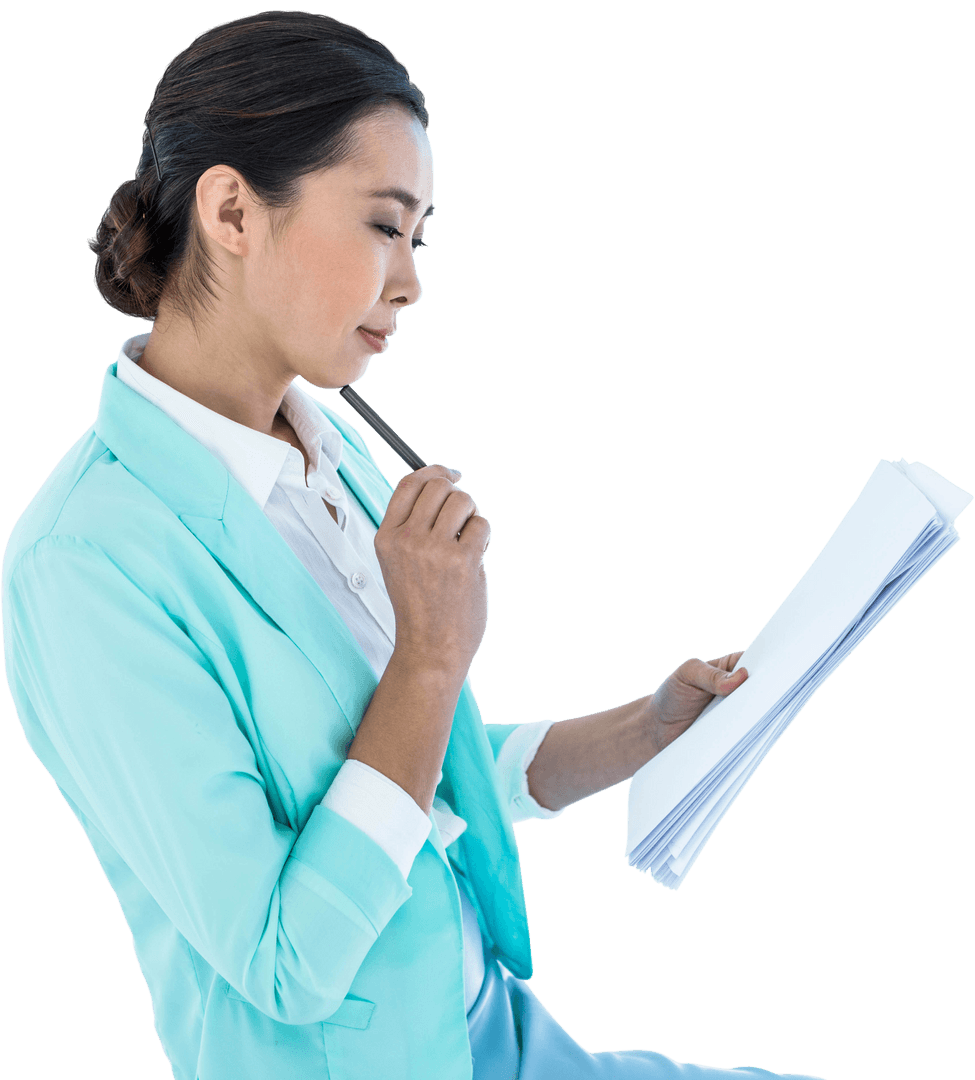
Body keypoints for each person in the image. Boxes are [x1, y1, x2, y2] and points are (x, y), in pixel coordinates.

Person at [0, 11, 825, 1080]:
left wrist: (640, 733)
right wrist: (429, 659)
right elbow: (285, 959)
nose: (410, 283)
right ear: (233, 210)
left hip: (499, 1042)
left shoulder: (326, 448)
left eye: (419, 238)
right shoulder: (84, 565)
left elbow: (411, 772)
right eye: (385, 226)